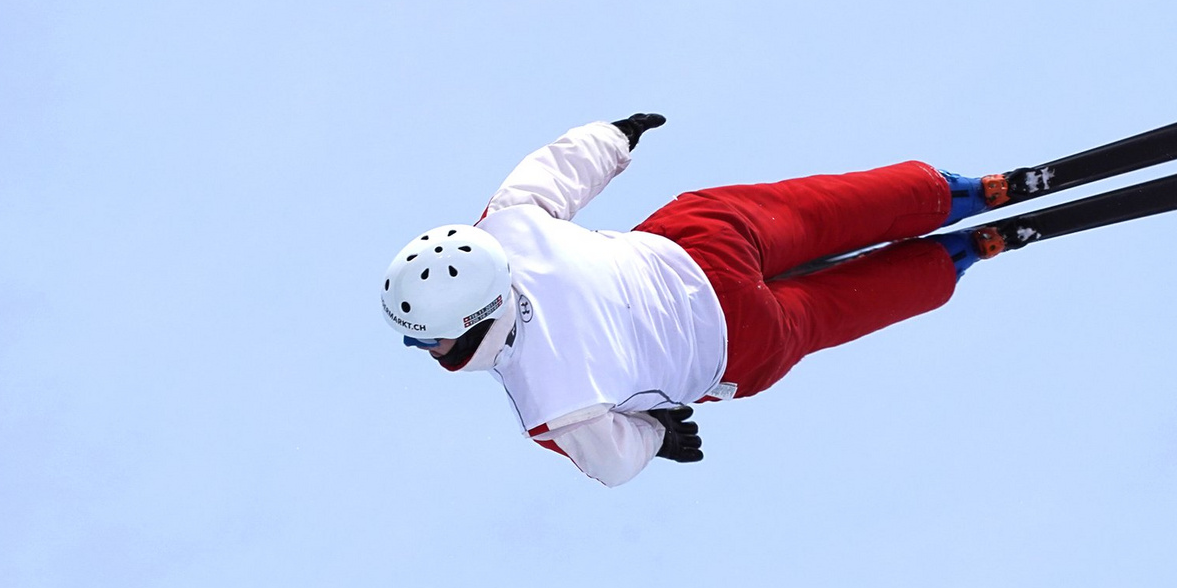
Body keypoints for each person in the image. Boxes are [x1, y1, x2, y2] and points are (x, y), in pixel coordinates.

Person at [380, 114, 1013, 486]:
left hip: (730, 345)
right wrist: (616, 135)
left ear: (467, 323)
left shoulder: (549, 403)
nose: (425, 348)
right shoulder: (506, 227)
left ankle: (950, 257)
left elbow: (613, 462)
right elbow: (555, 171)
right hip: (699, 243)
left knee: (830, 309)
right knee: (818, 213)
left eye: (423, 337)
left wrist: (658, 437)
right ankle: (951, 192)